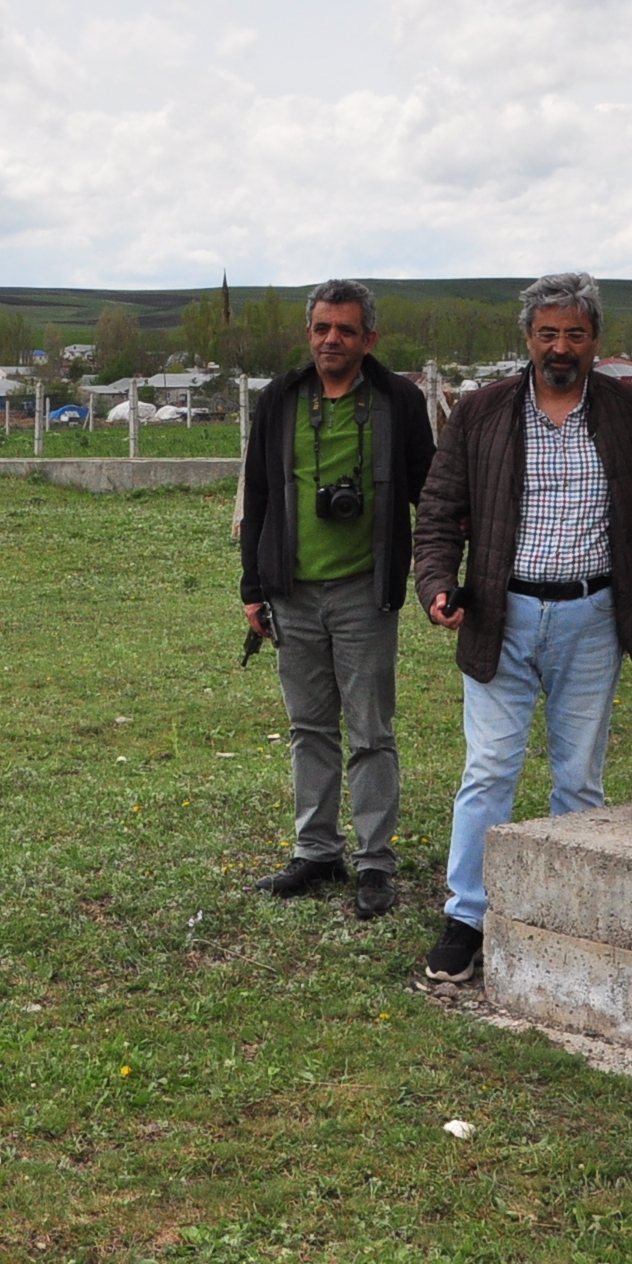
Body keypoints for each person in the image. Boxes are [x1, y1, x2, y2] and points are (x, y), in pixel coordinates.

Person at [410, 273, 632, 983]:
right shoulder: (482, 413)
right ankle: (467, 917)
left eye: (574, 333)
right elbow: (440, 507)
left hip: (594, 614)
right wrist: (437, 584)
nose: (560, 347)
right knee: (489, 770)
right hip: (499, 613)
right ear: (528, 339)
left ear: (595, 341)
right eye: (548, 333)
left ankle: (569, 916)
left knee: (579, 778)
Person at [238, 280, 438, 921]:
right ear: (309, 332)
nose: (332, 340)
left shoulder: (398, 401)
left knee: (372, 732)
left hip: (363, 592)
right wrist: (252, 588)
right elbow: (259, 494)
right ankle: (316, 851)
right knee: (308, 728)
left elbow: (428, 492)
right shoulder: (281, 400)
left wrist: (439, 570)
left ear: (368, 339)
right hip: (292, 592)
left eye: (346, 330)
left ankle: (375, 861)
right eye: (322, 328)